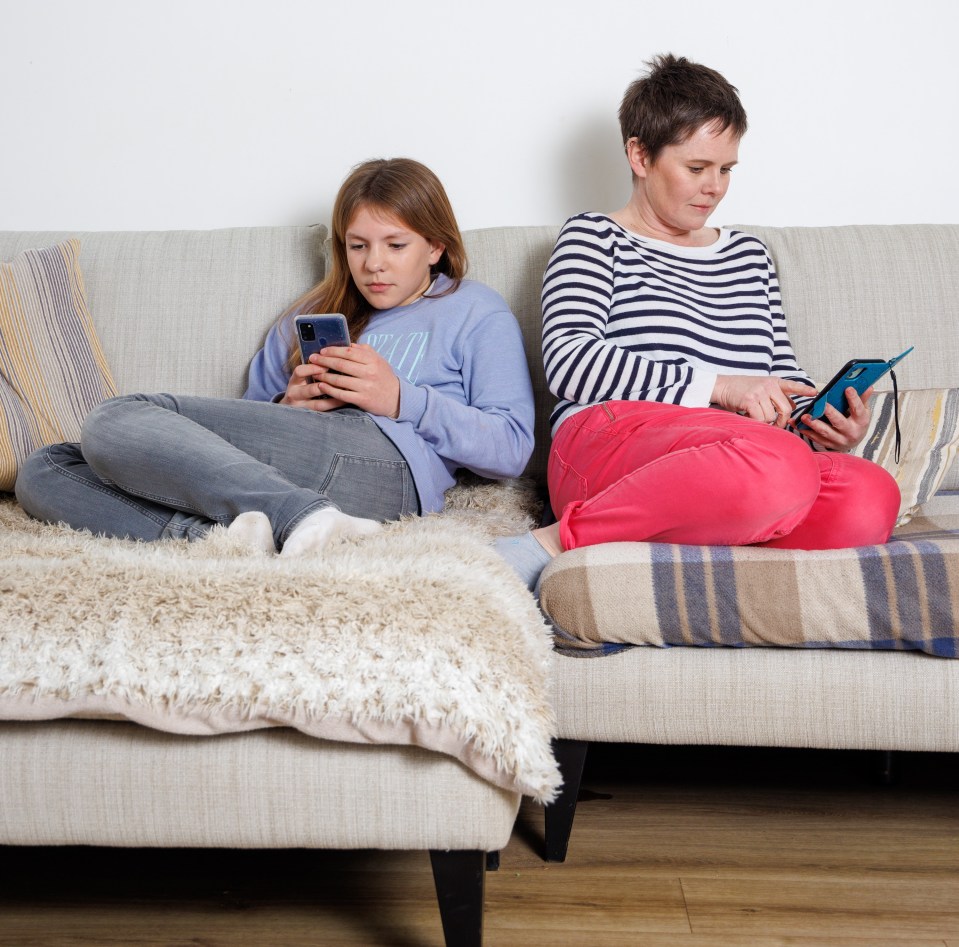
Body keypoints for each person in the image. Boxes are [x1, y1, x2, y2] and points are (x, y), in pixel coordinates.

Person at [495, 54, 900, 593]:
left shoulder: (750, 257)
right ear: (640, 155)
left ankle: (694, 528)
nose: (714, 187)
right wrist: (724, 388)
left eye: (726, 169)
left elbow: (781, 377)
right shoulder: (593, 238)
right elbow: (569, 363)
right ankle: (549, 544)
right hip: (615, 438)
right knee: (777, 466)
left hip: (745, 456)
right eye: (696, 168)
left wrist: (822, 422)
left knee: (869, 494)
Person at [16, 158, 535, 555]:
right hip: (292, 458)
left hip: (387, 467)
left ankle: (298, 512)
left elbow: (511, 448)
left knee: (115, 417)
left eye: (395, 245)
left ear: (436, 247)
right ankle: (237, 538)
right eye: (358, 246)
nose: (374, 265)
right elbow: (241, 428)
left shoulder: (473, 309)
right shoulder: (310, 313)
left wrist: (400, 398)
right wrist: (288, 407)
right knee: (43, 469)